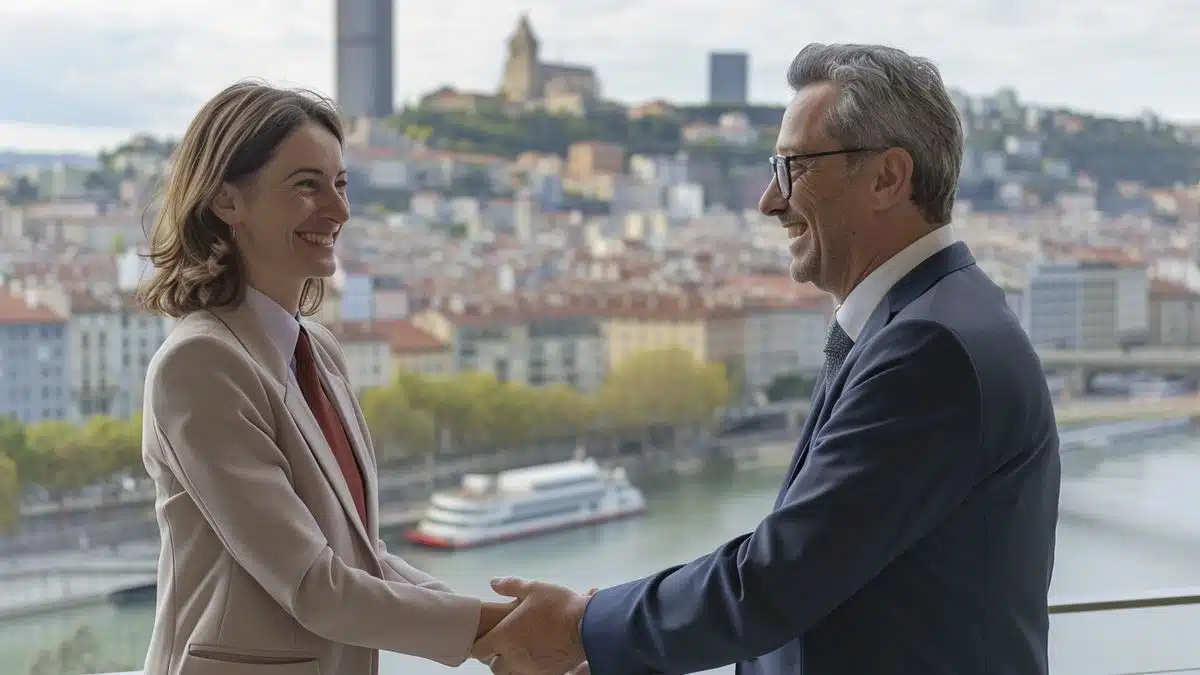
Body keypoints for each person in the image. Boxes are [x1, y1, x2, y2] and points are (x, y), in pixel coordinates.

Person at [471, 43, 1061, 675]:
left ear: (888, 178)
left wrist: (583, 627)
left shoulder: (929, 347)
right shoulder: (935, 315)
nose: (768, 201)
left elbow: (780, 578)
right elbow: (825, 583)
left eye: (792, 168)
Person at [136, 81, 512, 675]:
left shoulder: (320, 352)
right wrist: (500, 634)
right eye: (306, 185)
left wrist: (500, 627)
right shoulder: (201, 365)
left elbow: (361, 559)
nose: (338, 211)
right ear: (226, 201)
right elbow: (313, 583)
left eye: (340, 184)